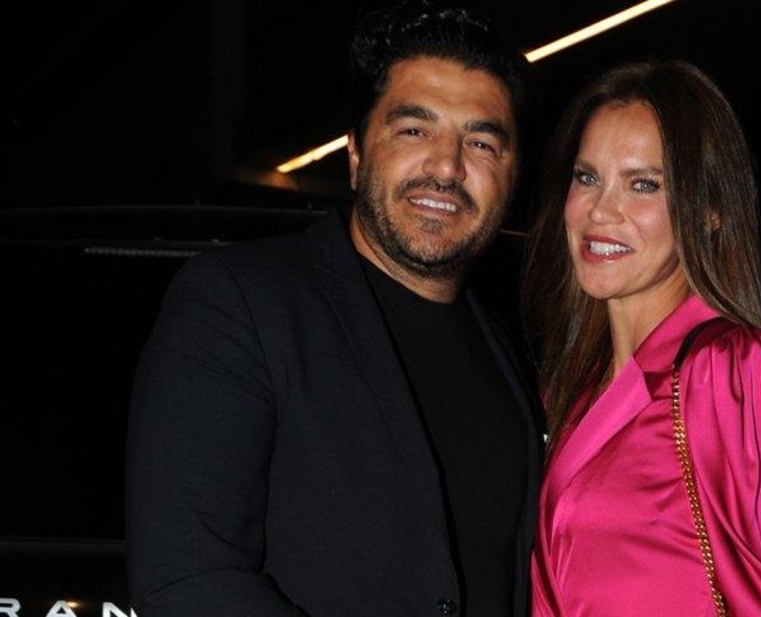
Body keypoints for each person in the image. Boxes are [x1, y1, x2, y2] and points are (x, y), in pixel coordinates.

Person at [125, 1, 545, 615]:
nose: (447, 167)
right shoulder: (241, 302)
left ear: (511, 177)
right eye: (414, 130)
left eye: (481, 143)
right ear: (355, 154)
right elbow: (187, 577)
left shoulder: (510, 352)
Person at [520, 59, 761, 616]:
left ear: (711, 211)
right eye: (587, 177)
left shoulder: (731, 371)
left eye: (643, 184)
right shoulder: (573, 387)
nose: (601, 210)